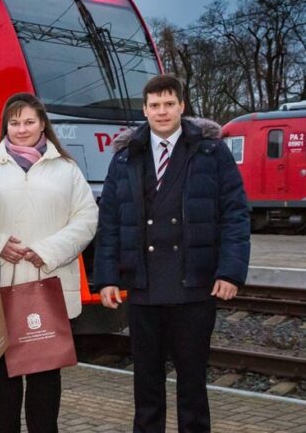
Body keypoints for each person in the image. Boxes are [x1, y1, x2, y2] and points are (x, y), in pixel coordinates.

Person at [94, 74, 250, 433]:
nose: (161, 111)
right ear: (144, 110)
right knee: (146, 387)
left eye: (169, 104)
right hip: (144, 287)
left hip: (194, 286)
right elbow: (111, 221)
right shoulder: (125, 157)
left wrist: (230, 272)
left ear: (182, 106)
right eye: (154, 105)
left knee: (192, 385)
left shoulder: (213, 153)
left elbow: (235, 214)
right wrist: (106, 277)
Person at [0, 92, 98, 433]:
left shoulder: (67, 169)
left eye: (29, 121)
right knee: (0, 377)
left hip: (49, 284)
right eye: (14, 123)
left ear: (43, 123)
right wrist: (0, 245)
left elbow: (87, 219)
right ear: (5, 126)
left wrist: (47, 250)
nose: (22, 129)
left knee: (45, 378)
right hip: (0, 285)